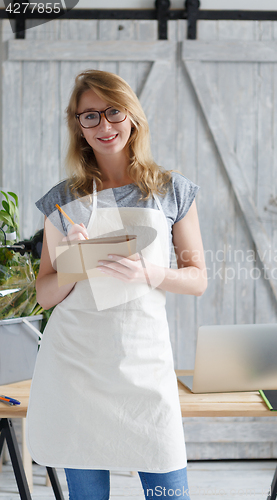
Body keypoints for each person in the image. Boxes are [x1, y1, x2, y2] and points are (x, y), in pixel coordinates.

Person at [26, 69, 207, 500]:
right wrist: (75, 262)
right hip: (77, 367)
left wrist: (152, 274)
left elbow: (197, 278)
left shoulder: (171, 191)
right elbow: (44, 294)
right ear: (78, 126)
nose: (104, 126)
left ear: (132, 116)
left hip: (145, 366)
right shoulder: (62, 200)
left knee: (170, 493)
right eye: (90, 116)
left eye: (113, 112)